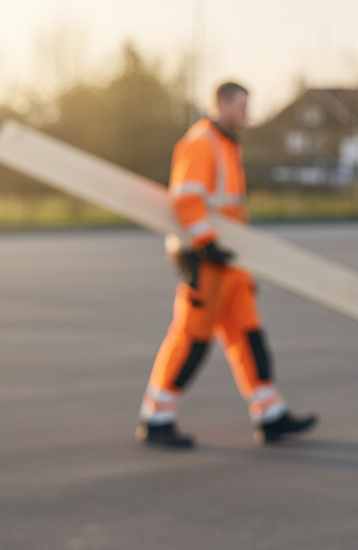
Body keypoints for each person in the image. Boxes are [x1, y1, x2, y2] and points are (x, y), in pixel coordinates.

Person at [136, 81, 317, 448]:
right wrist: (205, 243)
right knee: (191, 340)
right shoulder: (201, 142)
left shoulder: (226, 145)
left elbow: (229, 209)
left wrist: (241, 261)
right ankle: (157, 417)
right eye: (241, 106)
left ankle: (270, 414)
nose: (246, 115)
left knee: (249, 338)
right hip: (206, 261)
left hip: (231, 263)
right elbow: (187, 199)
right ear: (222, 104)